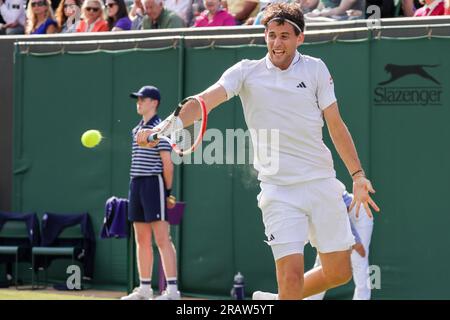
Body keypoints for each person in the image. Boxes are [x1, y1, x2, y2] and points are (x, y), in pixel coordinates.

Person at [137, 2, 379, 300]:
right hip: (278, 192)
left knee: (339, 272)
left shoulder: (316, 69)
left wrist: (357, 175)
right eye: (271, 34)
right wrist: (163, 130)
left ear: (300, 38)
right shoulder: (245, 72)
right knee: (290, 278)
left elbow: (336, 125)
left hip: (321, 183)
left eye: (285, 36)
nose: (277, 43)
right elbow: (203, 102)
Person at [254, 189, 375, 300]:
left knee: (359, 260)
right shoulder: (293, 196)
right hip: (332, 218)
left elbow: (340, 213)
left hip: (357, 215)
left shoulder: (317, 184)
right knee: (322, 263)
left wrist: (356, 241)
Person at [121, 85, 180, 301]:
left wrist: (167, 192)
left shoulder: (161, 129)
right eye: (138, 99)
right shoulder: (137, 130)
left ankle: (172, 291)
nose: (138, 102)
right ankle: (145, 289)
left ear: (154, 102)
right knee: (142, 239)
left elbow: (168, 164)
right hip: (135, 183)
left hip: (154, 184)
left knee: (162, 238)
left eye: (143, 99)